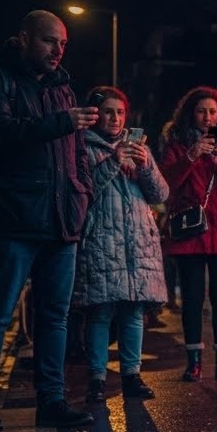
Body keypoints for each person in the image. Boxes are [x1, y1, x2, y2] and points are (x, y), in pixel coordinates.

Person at [0, 10, 96, 432]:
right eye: (48, 41)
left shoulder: (63, 89)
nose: (58, 51)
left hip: (61, 220)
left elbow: (78, 153)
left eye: (63, 44)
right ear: (23, 38)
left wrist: (84, 193)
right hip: (12, 219)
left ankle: (52, 399)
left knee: (55, 315)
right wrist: (59, 123)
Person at [72, 86, 169, 402]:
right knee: (100, 313)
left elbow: (160, 195)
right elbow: (85, 190)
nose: (115, 118)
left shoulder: (137, 146)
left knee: (133, 313)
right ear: (96, 114)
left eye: (120, 112)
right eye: (109, 111)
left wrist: (146, 166)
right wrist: (114, 160)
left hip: (137, 242)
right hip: (102, 240)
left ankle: (132, 375)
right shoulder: (83, 147)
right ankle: (97, 379)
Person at [158, 86, 217, 382]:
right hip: (191, 232)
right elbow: (166, 185)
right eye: (201, 111)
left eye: (213, 112)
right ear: (191, 114)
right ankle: (194, 361)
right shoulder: (176, 145)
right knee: (193, 297)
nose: (208, 118)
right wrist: (190, 155)